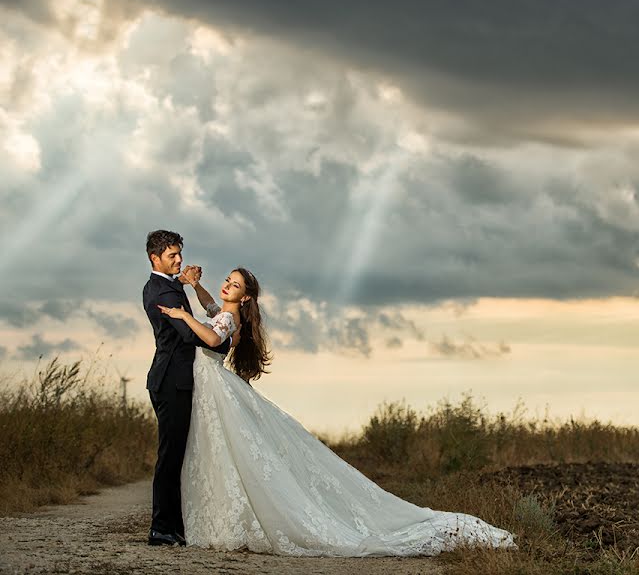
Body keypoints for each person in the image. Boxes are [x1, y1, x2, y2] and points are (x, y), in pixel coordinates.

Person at [156, 265, 518, 557]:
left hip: (213, 387)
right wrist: (194, 287)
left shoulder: (229, 319)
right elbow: (212, 311)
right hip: (210, 386)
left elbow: (213, 337)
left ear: (245, 295)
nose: (225, 287)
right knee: (222, 455)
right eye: (226, 282)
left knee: (229, 454)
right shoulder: (228, 312)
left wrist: (179, 314)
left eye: (233, 285)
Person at [142, 230, 237, 547]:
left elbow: (178, 290)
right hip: (171, 380)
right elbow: (186, 334)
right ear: (155, 258)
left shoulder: (168, 285)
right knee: (171, 454)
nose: (179, 259)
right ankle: (161, 528)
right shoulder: (161, 292)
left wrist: (188, 282)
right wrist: (218, 342)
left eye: (180, 253)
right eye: (172, 256)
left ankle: (174, 525)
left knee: (179, 453)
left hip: (178, 378)